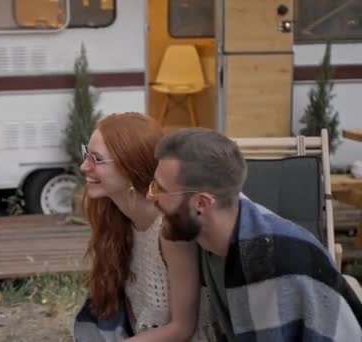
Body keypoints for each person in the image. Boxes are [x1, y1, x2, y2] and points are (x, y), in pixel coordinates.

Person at [150, 127, 362, 341]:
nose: (152, 197)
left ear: (202, 203)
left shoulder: (265, 263)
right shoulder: (220, 230)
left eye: (160, 190)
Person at [74, 113, 217, 341]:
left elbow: (182, 328)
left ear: (130, 167)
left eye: (96, 159)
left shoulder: (170, 229)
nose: (84, 167)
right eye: (86, 155)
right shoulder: (116, 215)